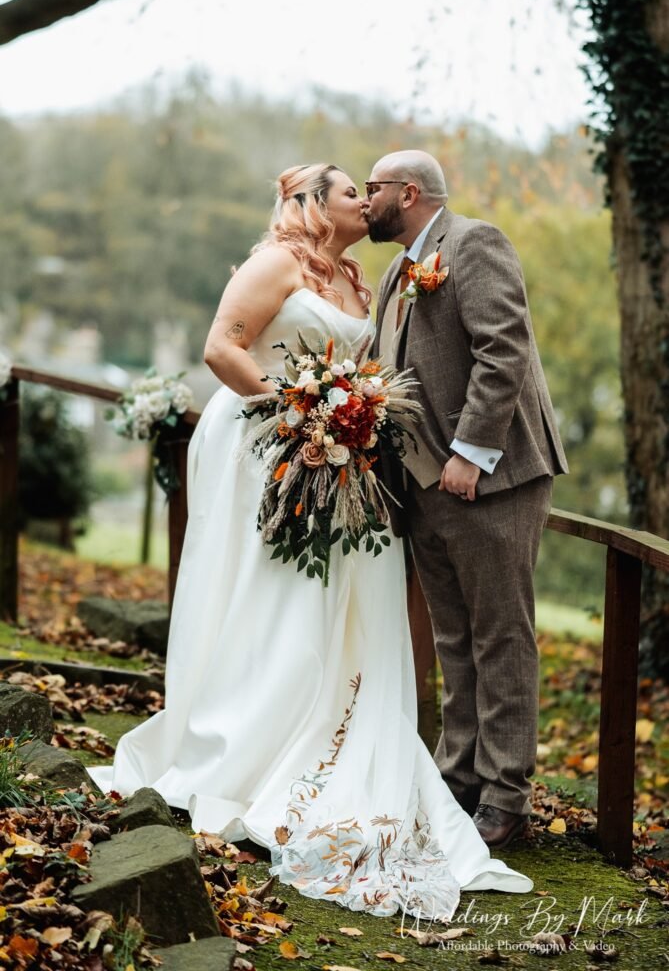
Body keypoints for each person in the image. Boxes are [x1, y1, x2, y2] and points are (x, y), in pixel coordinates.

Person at [90, 163, 534, 921]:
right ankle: (252, 742)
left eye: (370, 190)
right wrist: (295, 414)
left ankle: (347, 728)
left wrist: (343, 424)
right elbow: (222, 347)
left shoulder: (370, 283)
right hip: (267, 448)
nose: (363, 201)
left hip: (343, 460)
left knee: (346, 600)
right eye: (348, 191)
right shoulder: (275, 262)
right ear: (311, 205)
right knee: (275, 596)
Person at [363, 150, 568, 849]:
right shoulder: (394, 269)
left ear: (408, 192)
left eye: (373, 189)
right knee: (453, 637)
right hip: (422, 482)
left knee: (500, 634)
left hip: (491, 476)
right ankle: (459, 777)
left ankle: (506, 795)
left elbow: (502, 350)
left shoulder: (473, 243)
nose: (364, 202)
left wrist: (468, 453)